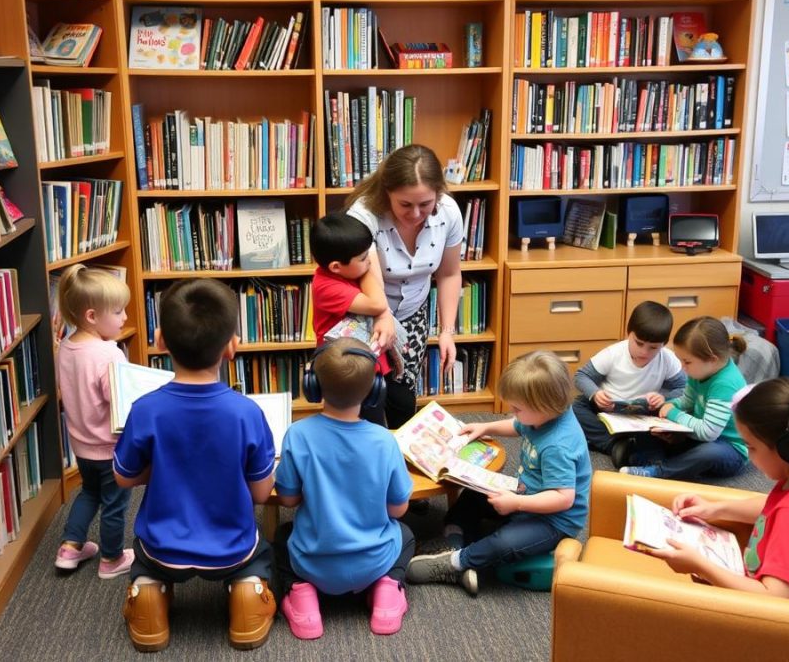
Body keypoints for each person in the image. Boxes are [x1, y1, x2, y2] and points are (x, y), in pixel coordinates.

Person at [113, 279, 277, 652]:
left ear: (159, 340)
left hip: (162, 550)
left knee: (147, 564)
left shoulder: (145, 410)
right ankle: (247, 598)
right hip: (231, 550)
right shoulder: (246, 413)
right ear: (232, 345)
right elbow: (262, 493)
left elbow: (122, 477)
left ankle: (148, 598)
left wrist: (163, 465)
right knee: (260, 555)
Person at [650, 378, 789, 601]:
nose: (749, 455)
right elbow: (772, 507)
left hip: (768, 625)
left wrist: (701, 565)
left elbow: (773, 596)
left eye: (751, 446)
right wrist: (714, 509)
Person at [406, 351, 591, 595]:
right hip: (525, 492)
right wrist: (486, 426)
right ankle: (454, 542)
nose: (513, 413)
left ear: (543, 407)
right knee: (473, 493)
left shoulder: (558, 445)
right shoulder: (541, 416)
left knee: (504, 542)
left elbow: (563, 498)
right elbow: (517, 426)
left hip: (554, 521)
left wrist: (517, 504)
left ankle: (454, 563)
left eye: (517, 408)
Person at [274, 337, 415, 639]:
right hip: (373, 563)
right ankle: (387, 591)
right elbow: (398, 509)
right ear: (376, 390)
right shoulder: (384, 440)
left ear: (312, 384)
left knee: (282, 537)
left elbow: (287, 500)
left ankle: (302, 597)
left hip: (313, 563)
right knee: (406, 536)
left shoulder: (297, 435)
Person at [346, 144, 464, 429]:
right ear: (387, 193)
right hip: (368, 313)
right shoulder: (364, 213)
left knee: (403, 393)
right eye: (405, 205)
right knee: (367, 395)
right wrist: (383, 315)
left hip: (414, 312)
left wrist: (447, 332)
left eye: (425, 204)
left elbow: (449, 274)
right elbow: (368, 277)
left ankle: (403, 461)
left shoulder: (448, 212)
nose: (415, 213)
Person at [52, 264, 134, 579]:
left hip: (81, 446)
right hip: (110, 447)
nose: (125, 317)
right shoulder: (107, 355)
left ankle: (70, 548)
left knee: (89, 493)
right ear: (91, 316)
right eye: (118, 311)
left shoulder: (67, 347)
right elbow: (122, 402)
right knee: (115, 504)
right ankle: (111, 560)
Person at [620, 316, 748, 481]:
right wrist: (667, 409)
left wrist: (673, 414)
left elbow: (708, 433)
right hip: (696, 436)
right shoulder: (700, 370)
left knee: (709, 452)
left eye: (687, 362)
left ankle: (660, 470)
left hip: (728, 448)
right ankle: (652, 461)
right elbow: (686, 403)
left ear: (712, 359)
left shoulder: (726, 383)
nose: (682, 367)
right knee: (650, 413)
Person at [573, 301, 686, 466]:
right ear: (628, 334)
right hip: (608, 411)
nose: (644, 352)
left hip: (645, 415)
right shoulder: (614, 353)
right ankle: (615, 444)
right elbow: (581, 376)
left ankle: (619, 444)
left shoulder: (668, 358)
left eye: (653, 348)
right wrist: (596, 394)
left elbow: (684, 388)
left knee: (672, 419)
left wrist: (664, 398)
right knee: (575, 409)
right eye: (639, 343)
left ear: (664, 344)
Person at [309, 212, 392, 426]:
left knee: (382, 412)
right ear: (336, 266)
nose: (370, 262)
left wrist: (361, 266)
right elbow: (377, 303)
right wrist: (366, 272)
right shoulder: (326, 286)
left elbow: (378, 300)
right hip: (347, 372)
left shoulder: (348, 271)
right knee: (362, 426)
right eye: (364, 258)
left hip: (369, 361)